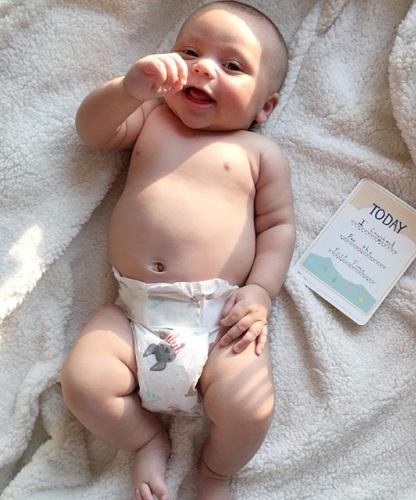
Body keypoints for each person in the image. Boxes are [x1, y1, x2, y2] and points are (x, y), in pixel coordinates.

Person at [60, 1, 295, 499]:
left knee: (250, 408)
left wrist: (260, 292)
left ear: (265, 107)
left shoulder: (259, 154)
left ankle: (216, 472)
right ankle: (145, 440)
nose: (203, 67)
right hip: (134, 313)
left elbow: (277, 227)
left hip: (219, 321)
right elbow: (92, 131)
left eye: (232, 66)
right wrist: (128, 90)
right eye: (190, 52)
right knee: (83, 382)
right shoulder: (151, 118)